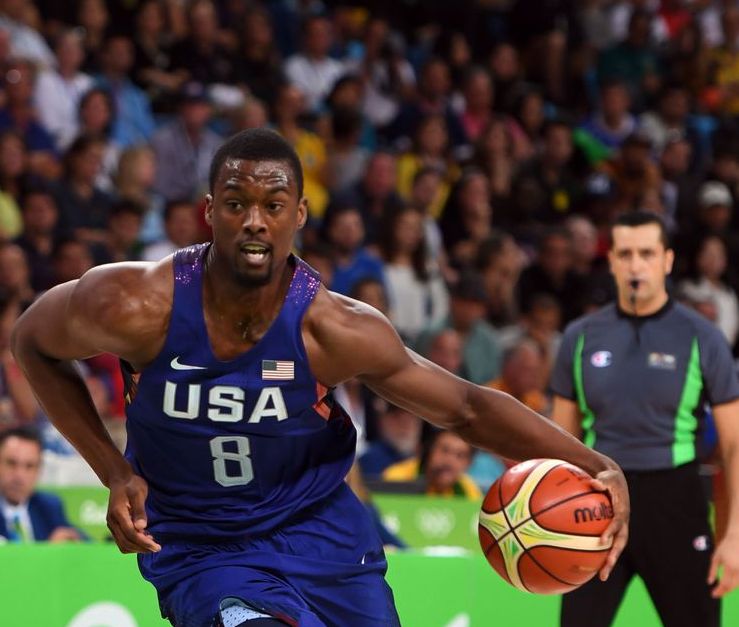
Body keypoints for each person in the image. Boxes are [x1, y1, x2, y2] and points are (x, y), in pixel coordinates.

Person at [12, 128, 628, 627]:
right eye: (236, 203)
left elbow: (465, 407)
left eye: (273, 205)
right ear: (209, 211)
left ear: (299, 214)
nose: (255, 221)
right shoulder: (134, 303)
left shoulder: (334, 329)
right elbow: (31, 342)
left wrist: (595, 464)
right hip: (202, 543)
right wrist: (112, 470)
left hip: (320, 534)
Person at [550, 210, 739, 627]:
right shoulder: (580, 337)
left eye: (648, 253)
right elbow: (560, 443)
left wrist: (735, 536)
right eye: (626, 254)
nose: (637, 265)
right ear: (612, 261)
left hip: (676, 499)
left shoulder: (702, 336)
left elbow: (734, 444)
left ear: (667, 260)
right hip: (596, 502)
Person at [0, 426, 84, 542]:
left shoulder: (48, 507)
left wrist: (70, 539)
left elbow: (86, 542)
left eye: (29, 466)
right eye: (11, 463)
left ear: (38, 470)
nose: (19, 476)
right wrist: (47, 550)